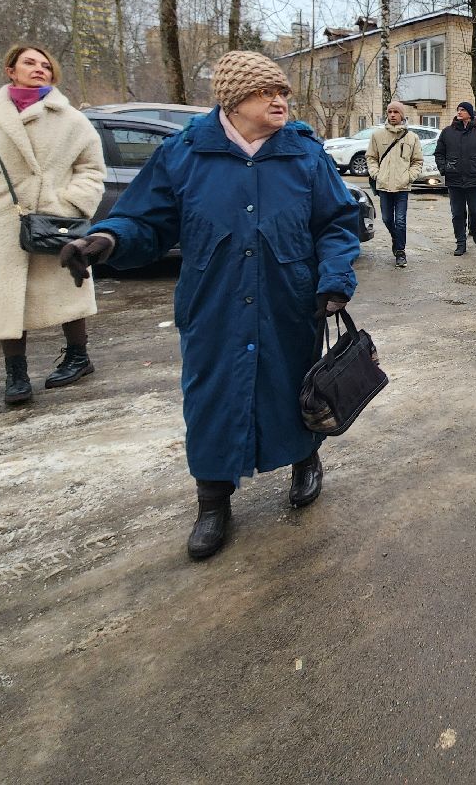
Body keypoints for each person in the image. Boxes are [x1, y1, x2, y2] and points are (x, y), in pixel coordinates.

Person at [60, 50, 361, 561]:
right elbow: (146, 221)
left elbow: (336, 222)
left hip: (290, 301)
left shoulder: (304, 156)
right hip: (213, 302)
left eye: (284, 92)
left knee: (298, 387)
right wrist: (108, 238)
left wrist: (334, 278)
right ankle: (213, 501)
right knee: (211, 396)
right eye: (268, 92)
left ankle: (306, 460)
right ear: (234, 99)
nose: (280, 100)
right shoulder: (184, 154)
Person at [0, 45, 107, 406]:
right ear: (10, 70)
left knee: (69, 286)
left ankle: (79, 357)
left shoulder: (70, 119)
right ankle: (15, 373)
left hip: (53, 218)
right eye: (30, 63)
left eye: (46, 65)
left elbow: (91, 168)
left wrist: (70, 203)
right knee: (6, 297)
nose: (39, 69)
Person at [366, 101, 425, 268]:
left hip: (402, 186)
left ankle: (400, 252)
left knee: (400, 220)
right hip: (384, 185)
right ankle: (396, 238)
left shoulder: (411, 137)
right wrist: (376, 174)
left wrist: (409, 177)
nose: (392, 115)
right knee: (386, 219)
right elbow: (371, 157)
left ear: (402, 115)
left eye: (396, 112)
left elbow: (417, 161)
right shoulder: (377, 135)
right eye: (390, 112)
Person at [434, 101, 476, 255]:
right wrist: (444, 168)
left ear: (470, 113)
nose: (459, 112)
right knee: (457, 213)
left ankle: (473, 229)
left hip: (475, 179)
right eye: (458, 110)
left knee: (475, 211)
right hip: (454, 179)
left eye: (462, 110)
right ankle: (460, 243)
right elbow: (439, 153)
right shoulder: (447, 132)